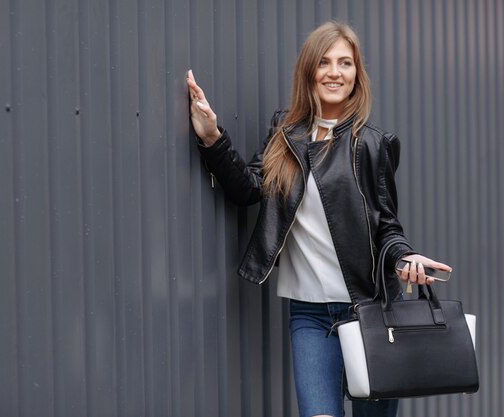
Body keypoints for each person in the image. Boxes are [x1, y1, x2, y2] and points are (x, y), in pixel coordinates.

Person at [186, 21, 451, 417]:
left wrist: (404, 259)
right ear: (309, 69)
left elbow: (387, 227)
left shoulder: (373, 143)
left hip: (370, 311)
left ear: (357, 75)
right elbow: (248, 189)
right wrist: (211, 137)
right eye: (325, 62)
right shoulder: (285, 134)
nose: (335, 72)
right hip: (309, 314)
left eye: (346, 63)